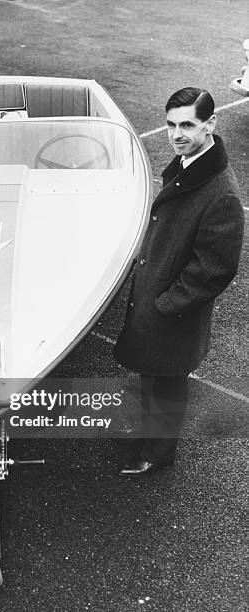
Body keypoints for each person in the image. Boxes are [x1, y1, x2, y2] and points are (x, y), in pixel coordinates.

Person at [114, 87, 244, 476]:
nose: (175, 134)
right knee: (153, 381)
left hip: (173, 313)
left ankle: (158, 454)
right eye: (170, 125)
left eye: (187, 124)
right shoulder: (188, 164)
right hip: (160, 302)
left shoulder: (221, 194)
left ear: (210, 124)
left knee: (167, 385)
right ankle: (150, 439)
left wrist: (167, 305)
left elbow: (215, 269)